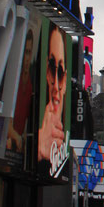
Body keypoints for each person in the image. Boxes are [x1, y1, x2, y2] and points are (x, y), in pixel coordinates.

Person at [37, 23, 67, 176]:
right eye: (51, 68)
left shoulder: (65, 147)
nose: (55, 86)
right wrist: (39, 146)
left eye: (60, 72)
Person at [7, 28, 34, 154]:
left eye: (29, 52)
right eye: (24, 52)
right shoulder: (12, 78)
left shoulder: (30, 85)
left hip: (18, 150)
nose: (26, 58)